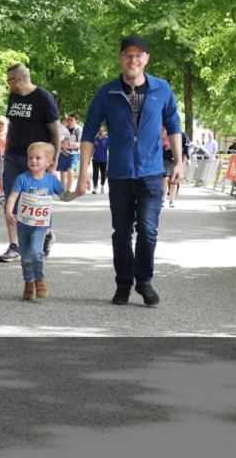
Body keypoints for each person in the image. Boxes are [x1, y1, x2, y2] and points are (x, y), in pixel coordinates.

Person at [78, 34, 182, 307]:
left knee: (148, 230)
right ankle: (124, 282)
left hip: (151, 173)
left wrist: (180, 161)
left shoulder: (162, 89)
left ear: (146, 59)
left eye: (139, 55)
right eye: (128, 55)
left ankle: (144, 281)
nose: (133, 60)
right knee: (121, 233)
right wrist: (82, 172)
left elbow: (174, 126)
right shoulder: (107, 92)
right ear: (120, 58)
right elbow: (89, 131)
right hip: (120, 174)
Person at [0, 64, 62, 263]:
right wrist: (7, 149)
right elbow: (13, 125)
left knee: (37, 199)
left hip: (37, 159)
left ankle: (45, 235)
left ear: (17, 80)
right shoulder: (13, 97)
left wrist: (53, 162)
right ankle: (14, 245)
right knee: (11, 198)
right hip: (13, 156)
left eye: (9, 80)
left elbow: (55, 132)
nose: (8, 84)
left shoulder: (43, 98)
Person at [5, 142, 79, 299]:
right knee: (25, 257)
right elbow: (12, 197)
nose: (33, 161)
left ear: (49, 162)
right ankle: (28, 283)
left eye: (38, 158)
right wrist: (8, 212)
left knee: (36, 252)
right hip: (23, 224)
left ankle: (39, 279)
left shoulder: (51, 180)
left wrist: (76, 193)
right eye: (30, 158)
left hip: (40, 225)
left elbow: (64, 196)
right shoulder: (22, 178)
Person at [58, 113, 82, 192]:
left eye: (71, 120)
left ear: (76, 121)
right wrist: (61, 148)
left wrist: (70, 144)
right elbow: (58, 140)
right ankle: (63, 191)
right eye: (68, 119)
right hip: (63, 152)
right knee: (62, 173)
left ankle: (68, 191)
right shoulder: (63, 128)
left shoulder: (79, 129)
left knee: (70, 171)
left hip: (74, 153)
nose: (69, 121)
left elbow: (81, 143)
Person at [91, 126, 109, 193]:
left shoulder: (107, 139)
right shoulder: (94, 139)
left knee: (103, 173)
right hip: (95, 159)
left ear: (103, 131)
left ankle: (102, 186)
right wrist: (89, 158)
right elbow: (92, 149)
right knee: (95, 173)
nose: (100, 131)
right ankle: (95, 187)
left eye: (101, 130)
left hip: (104, 159)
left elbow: (109, 149)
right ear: (97, 131)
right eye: (99, 130)